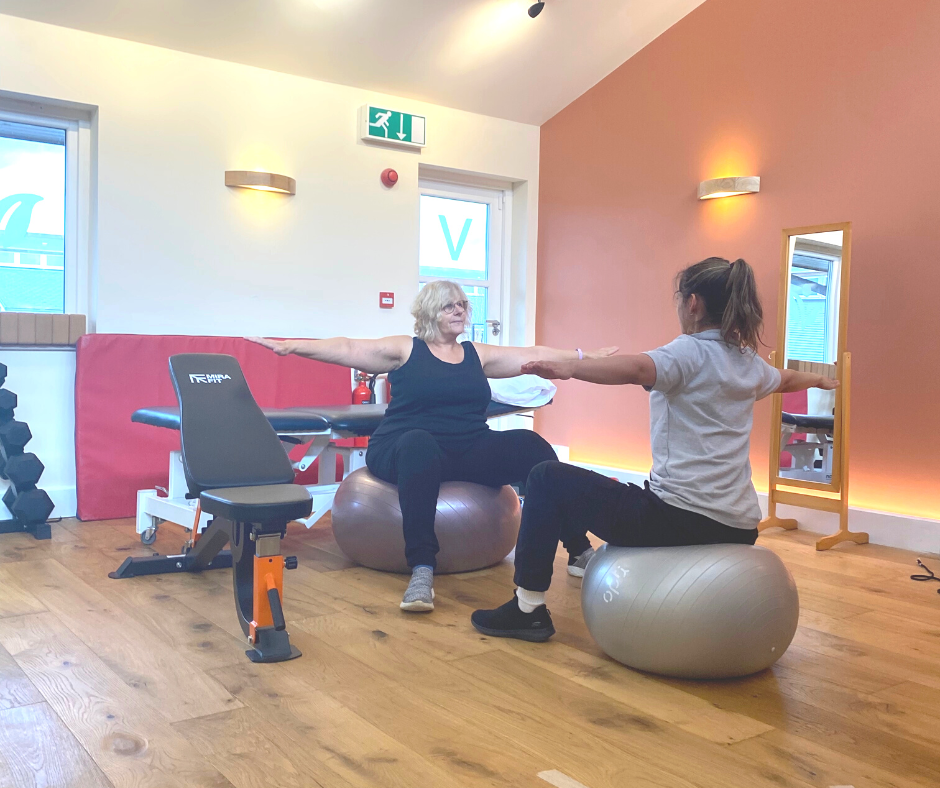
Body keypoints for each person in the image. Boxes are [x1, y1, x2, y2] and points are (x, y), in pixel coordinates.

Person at [470, 257, 839, 641]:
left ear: (692, 303)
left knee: (545, 477)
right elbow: (785, 378)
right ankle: (572, 562)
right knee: (561, 479)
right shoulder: (747, 361)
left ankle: (527, 607)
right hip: (741, 525)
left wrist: (571, 369)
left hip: (678, 518)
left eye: (679, 298)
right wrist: (821, 379)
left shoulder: (687, 353)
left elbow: (636, 369)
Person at [248, 280, 616, 611]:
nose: (459, 310)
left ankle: (578, 549)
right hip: (402, 446)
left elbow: (531, 354)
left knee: (531, 446)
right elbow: (348, 346)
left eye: (462, 305)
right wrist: (292, 347)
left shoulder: (477, 354)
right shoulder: (406, 349)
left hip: (467, 446)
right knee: (419, 445)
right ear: (430, 313)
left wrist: (585, 357)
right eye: (448, 305)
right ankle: (422, 569)